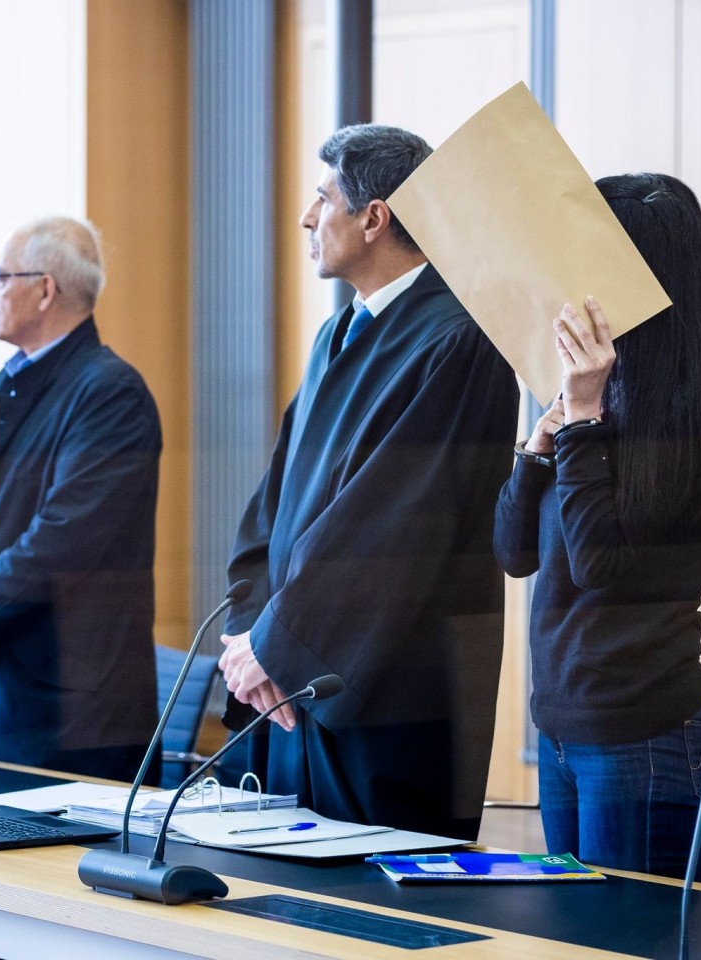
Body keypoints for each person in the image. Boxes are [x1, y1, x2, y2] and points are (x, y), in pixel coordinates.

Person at [218, 125, 519, 840]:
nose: (306, 218)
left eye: (322, 199)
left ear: (374, 217)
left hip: (388, 687)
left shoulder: (459, 339)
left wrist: (277, 644)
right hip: (294, 680)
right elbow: (275, 503)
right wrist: (250, 635)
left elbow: (393, 521)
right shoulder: (337, 333)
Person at [493, 173, 701, 877]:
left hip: (640, 737)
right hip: (558, 727)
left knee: (621, 943)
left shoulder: (699, 435)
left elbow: (598, 565)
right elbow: (514, 552)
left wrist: (580, 421)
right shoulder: (592, 416)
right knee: (571, 941)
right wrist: (539, 445)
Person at [0, 216, 161, 783]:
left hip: (68, 706)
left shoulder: (109, 392)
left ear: (45, 289)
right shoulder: (6, 380)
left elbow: (65, 535)